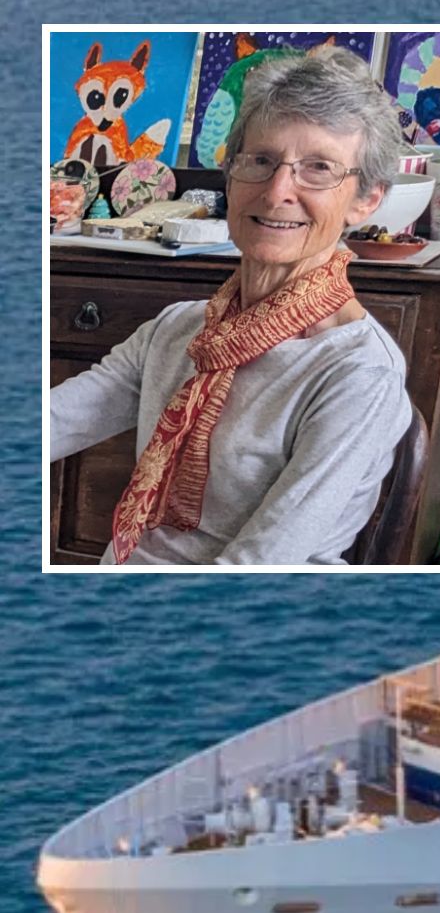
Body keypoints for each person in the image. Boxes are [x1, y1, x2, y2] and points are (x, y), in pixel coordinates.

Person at [50, 46, 415, 565]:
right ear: (231, 174)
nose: (277, 191)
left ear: (366, 200)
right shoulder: (179, 330)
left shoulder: (358, 372)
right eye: (261, 161)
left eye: (318, 169)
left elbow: (261, 565)